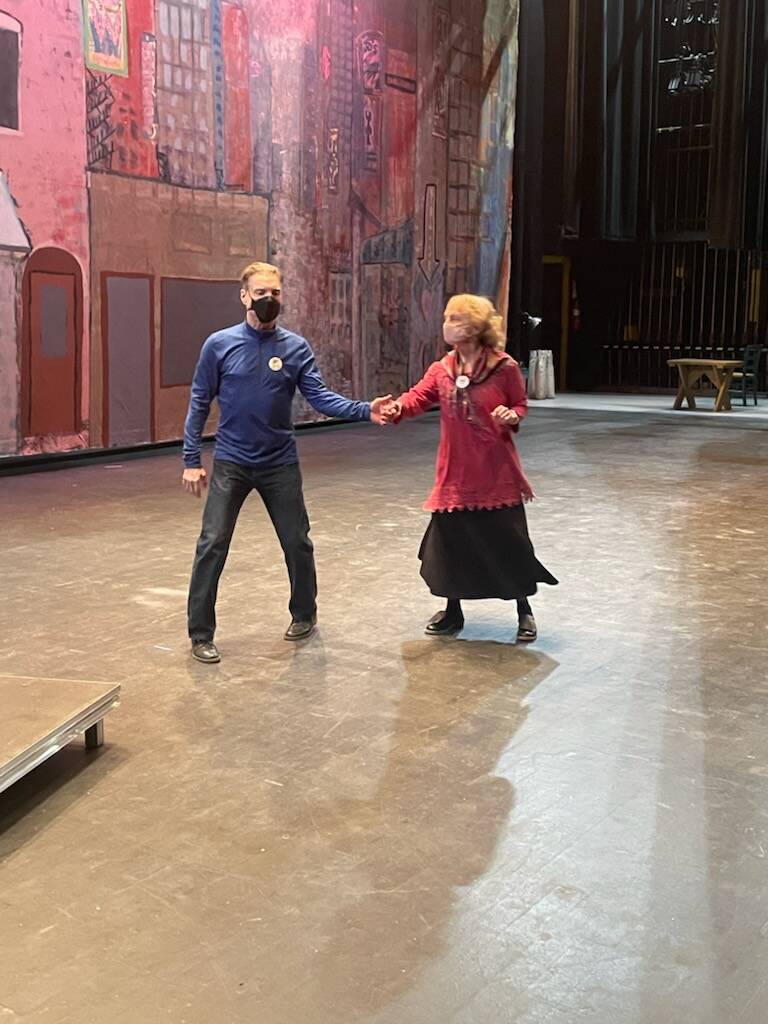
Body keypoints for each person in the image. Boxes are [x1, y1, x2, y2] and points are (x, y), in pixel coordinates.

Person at [183, 261, 391, 663]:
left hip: (280, 462)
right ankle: (200, 634)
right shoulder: (219, 345)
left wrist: (366, 410)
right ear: (244, 296)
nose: (268, 300)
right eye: (260, 293)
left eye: (275, 293)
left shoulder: (295, 348)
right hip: (231, 462)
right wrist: (192, 459)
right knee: (212, 544)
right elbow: (198, 403)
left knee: (297, 542)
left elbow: (321, 398)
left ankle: (304, 614)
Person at [381, 293, 557, 641]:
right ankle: (453, 611)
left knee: (508, 544)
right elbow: (417, 397)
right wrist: (397, 408)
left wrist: (512, 416)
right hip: (455, 473)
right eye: (447, 317)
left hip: (495, 472)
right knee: (452, 546)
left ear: (476, 326)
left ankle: (524, 611)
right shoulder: (442, 370)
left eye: (456, 317)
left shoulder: (503, 367)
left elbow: (519, 403)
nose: (447, 323)